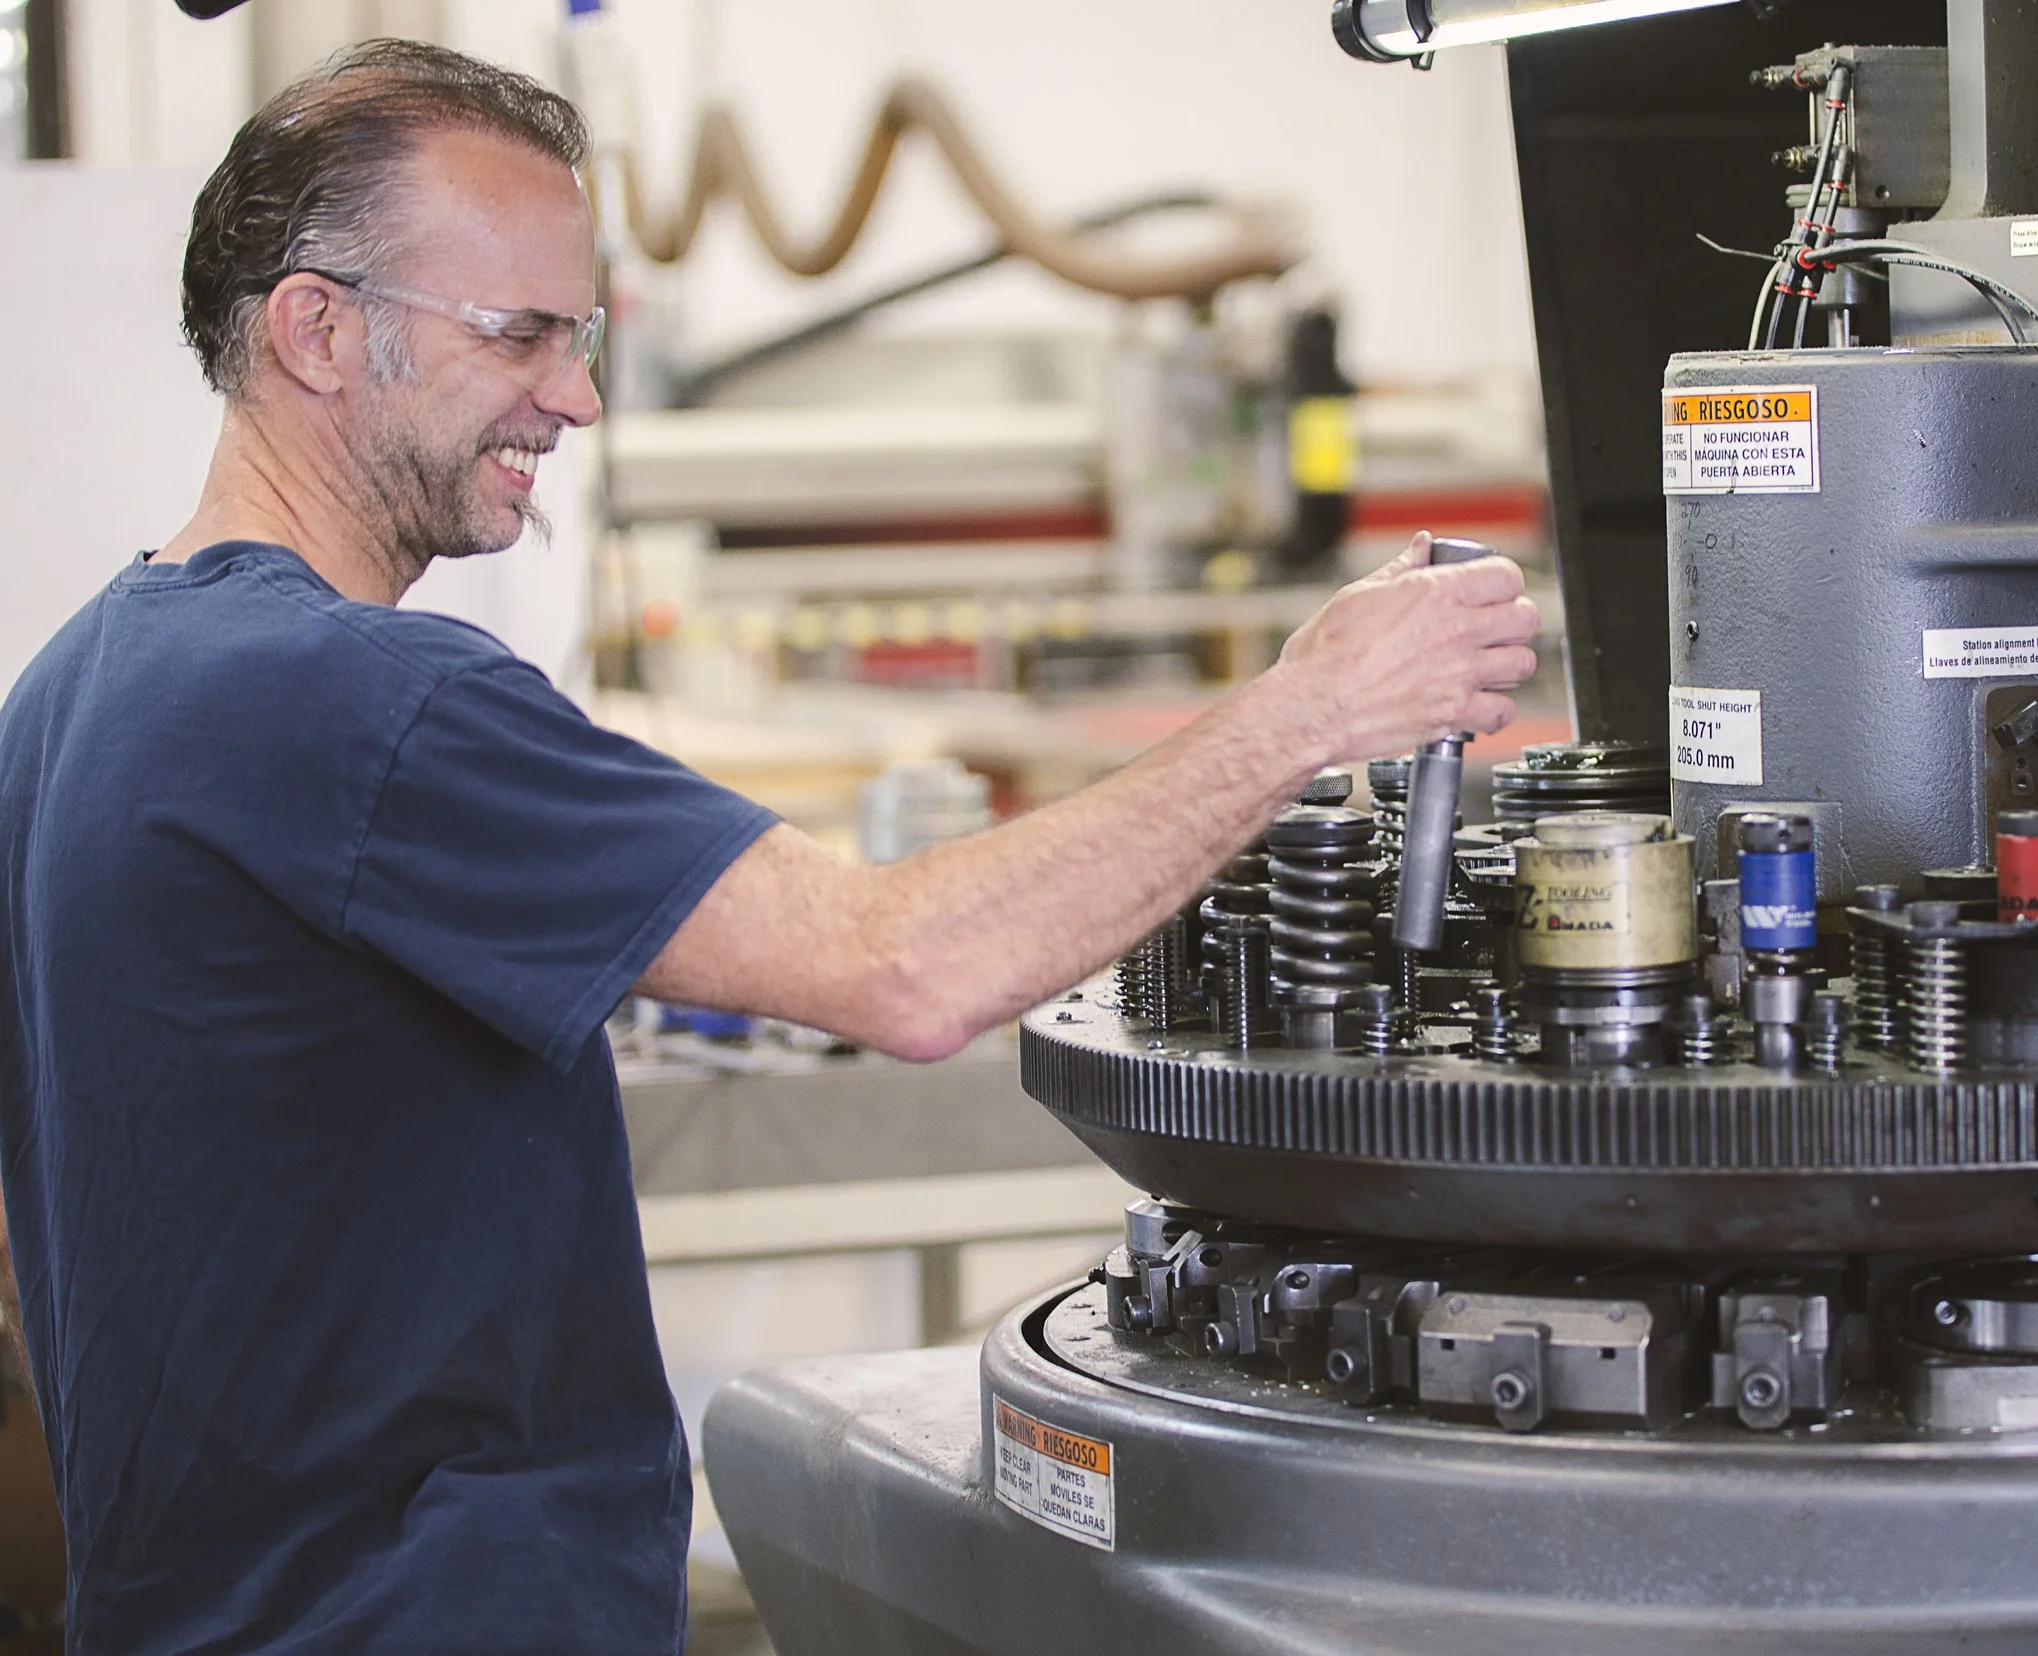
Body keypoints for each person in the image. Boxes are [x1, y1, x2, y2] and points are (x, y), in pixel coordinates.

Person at [0, 39, 1537, 1656]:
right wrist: (1309, 710)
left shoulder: (72, 690)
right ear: (317, 329)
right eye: (518, 333)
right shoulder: (357, 699)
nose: (576, 395)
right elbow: (903, 967)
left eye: (580, 337)